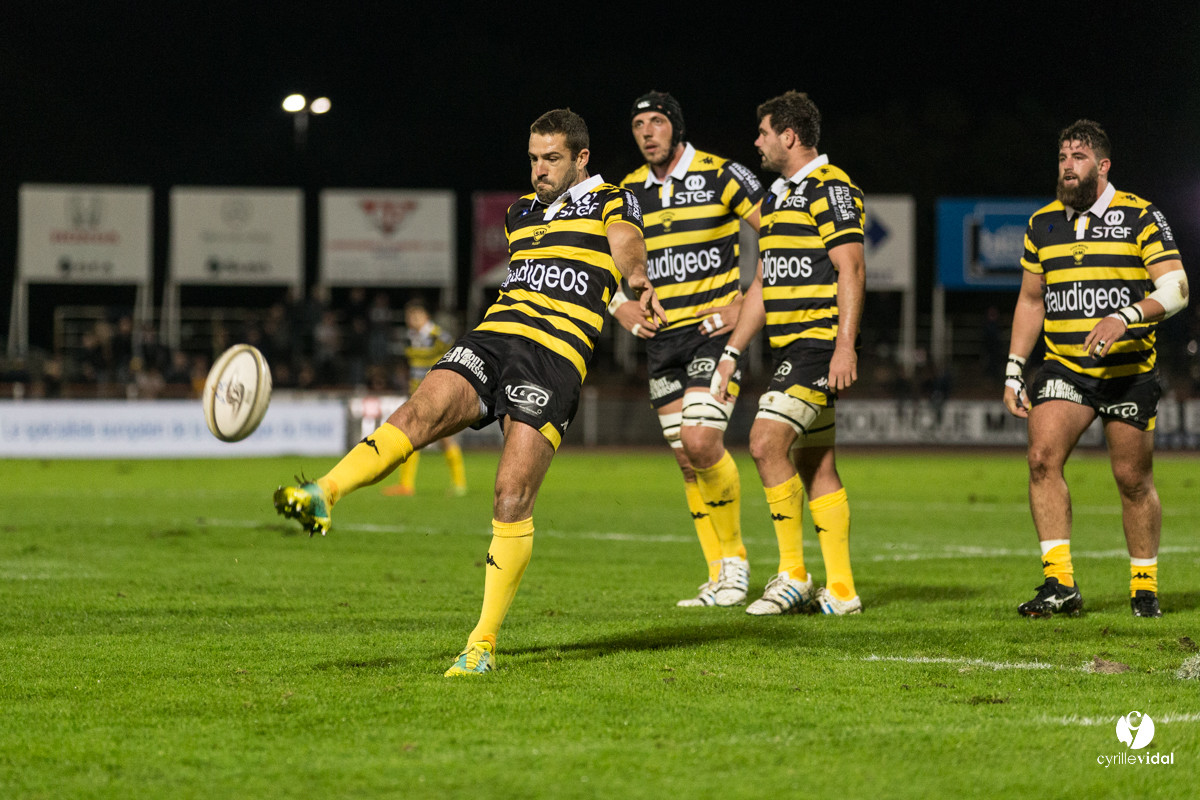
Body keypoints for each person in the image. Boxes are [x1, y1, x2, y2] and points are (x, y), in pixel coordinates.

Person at [274, 108, 667, 675]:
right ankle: (324, 493)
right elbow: (567, 274)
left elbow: (623, 245)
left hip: (552, 359)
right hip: (493, 339)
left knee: (510, 495)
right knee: (418, 411)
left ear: (581, 158)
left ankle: (480, 645)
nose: (539, 169)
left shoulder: (613, 200)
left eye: (552, 158)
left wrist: (637, 282)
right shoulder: (519, 214)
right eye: (533, 158)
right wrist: (618, 304)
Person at [1002, 120, 1187, 619]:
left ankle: (1144, 586)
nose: (1068, 165)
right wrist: (1015, 370)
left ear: (1102, 166)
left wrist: (1123, 317)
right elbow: (1031, 299)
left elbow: (1177, 289)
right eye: (1063, 156)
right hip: (1065, 367)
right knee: (1041, 458)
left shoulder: (1140, 216)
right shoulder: (1042, 223)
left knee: (1132, 479)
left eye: (1079, 157)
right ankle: (1059, 584)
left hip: (1129, 371)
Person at [712, 90, 866, 616]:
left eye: (763, 132)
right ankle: (842, 590)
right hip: (790, 346)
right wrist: (733, 349)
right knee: (815, 462)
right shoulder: (778, 196)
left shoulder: (832, 187)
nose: (756, 142)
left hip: (818, 344)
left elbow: (852, 268)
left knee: (763, 442)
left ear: (790, 136)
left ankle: (793, 573)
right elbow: (762, 283)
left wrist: (844, 346)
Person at [612, 91, 765, 608]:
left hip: (712, 332)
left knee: (701, 443)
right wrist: (618, 306)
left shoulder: (724, 174)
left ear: (675, 126)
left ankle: (738, 565)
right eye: (638, 125)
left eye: (656, 121)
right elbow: (588, 256)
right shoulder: (628, 192)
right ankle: (717, 573)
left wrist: (745, 305)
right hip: (661, 341)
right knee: (684, 459)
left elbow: (783, 235)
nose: (647, 132)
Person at [382, 299, 469, 497]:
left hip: (433, 395)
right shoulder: (412, 337)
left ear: (426, 317)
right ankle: (409, 484)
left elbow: (452, 345)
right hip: (417, 393)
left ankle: (457, 484)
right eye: (409, 316)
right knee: (417, 436)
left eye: (416, 316)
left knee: (437, 437)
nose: (412, 320)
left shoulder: (434, 335)